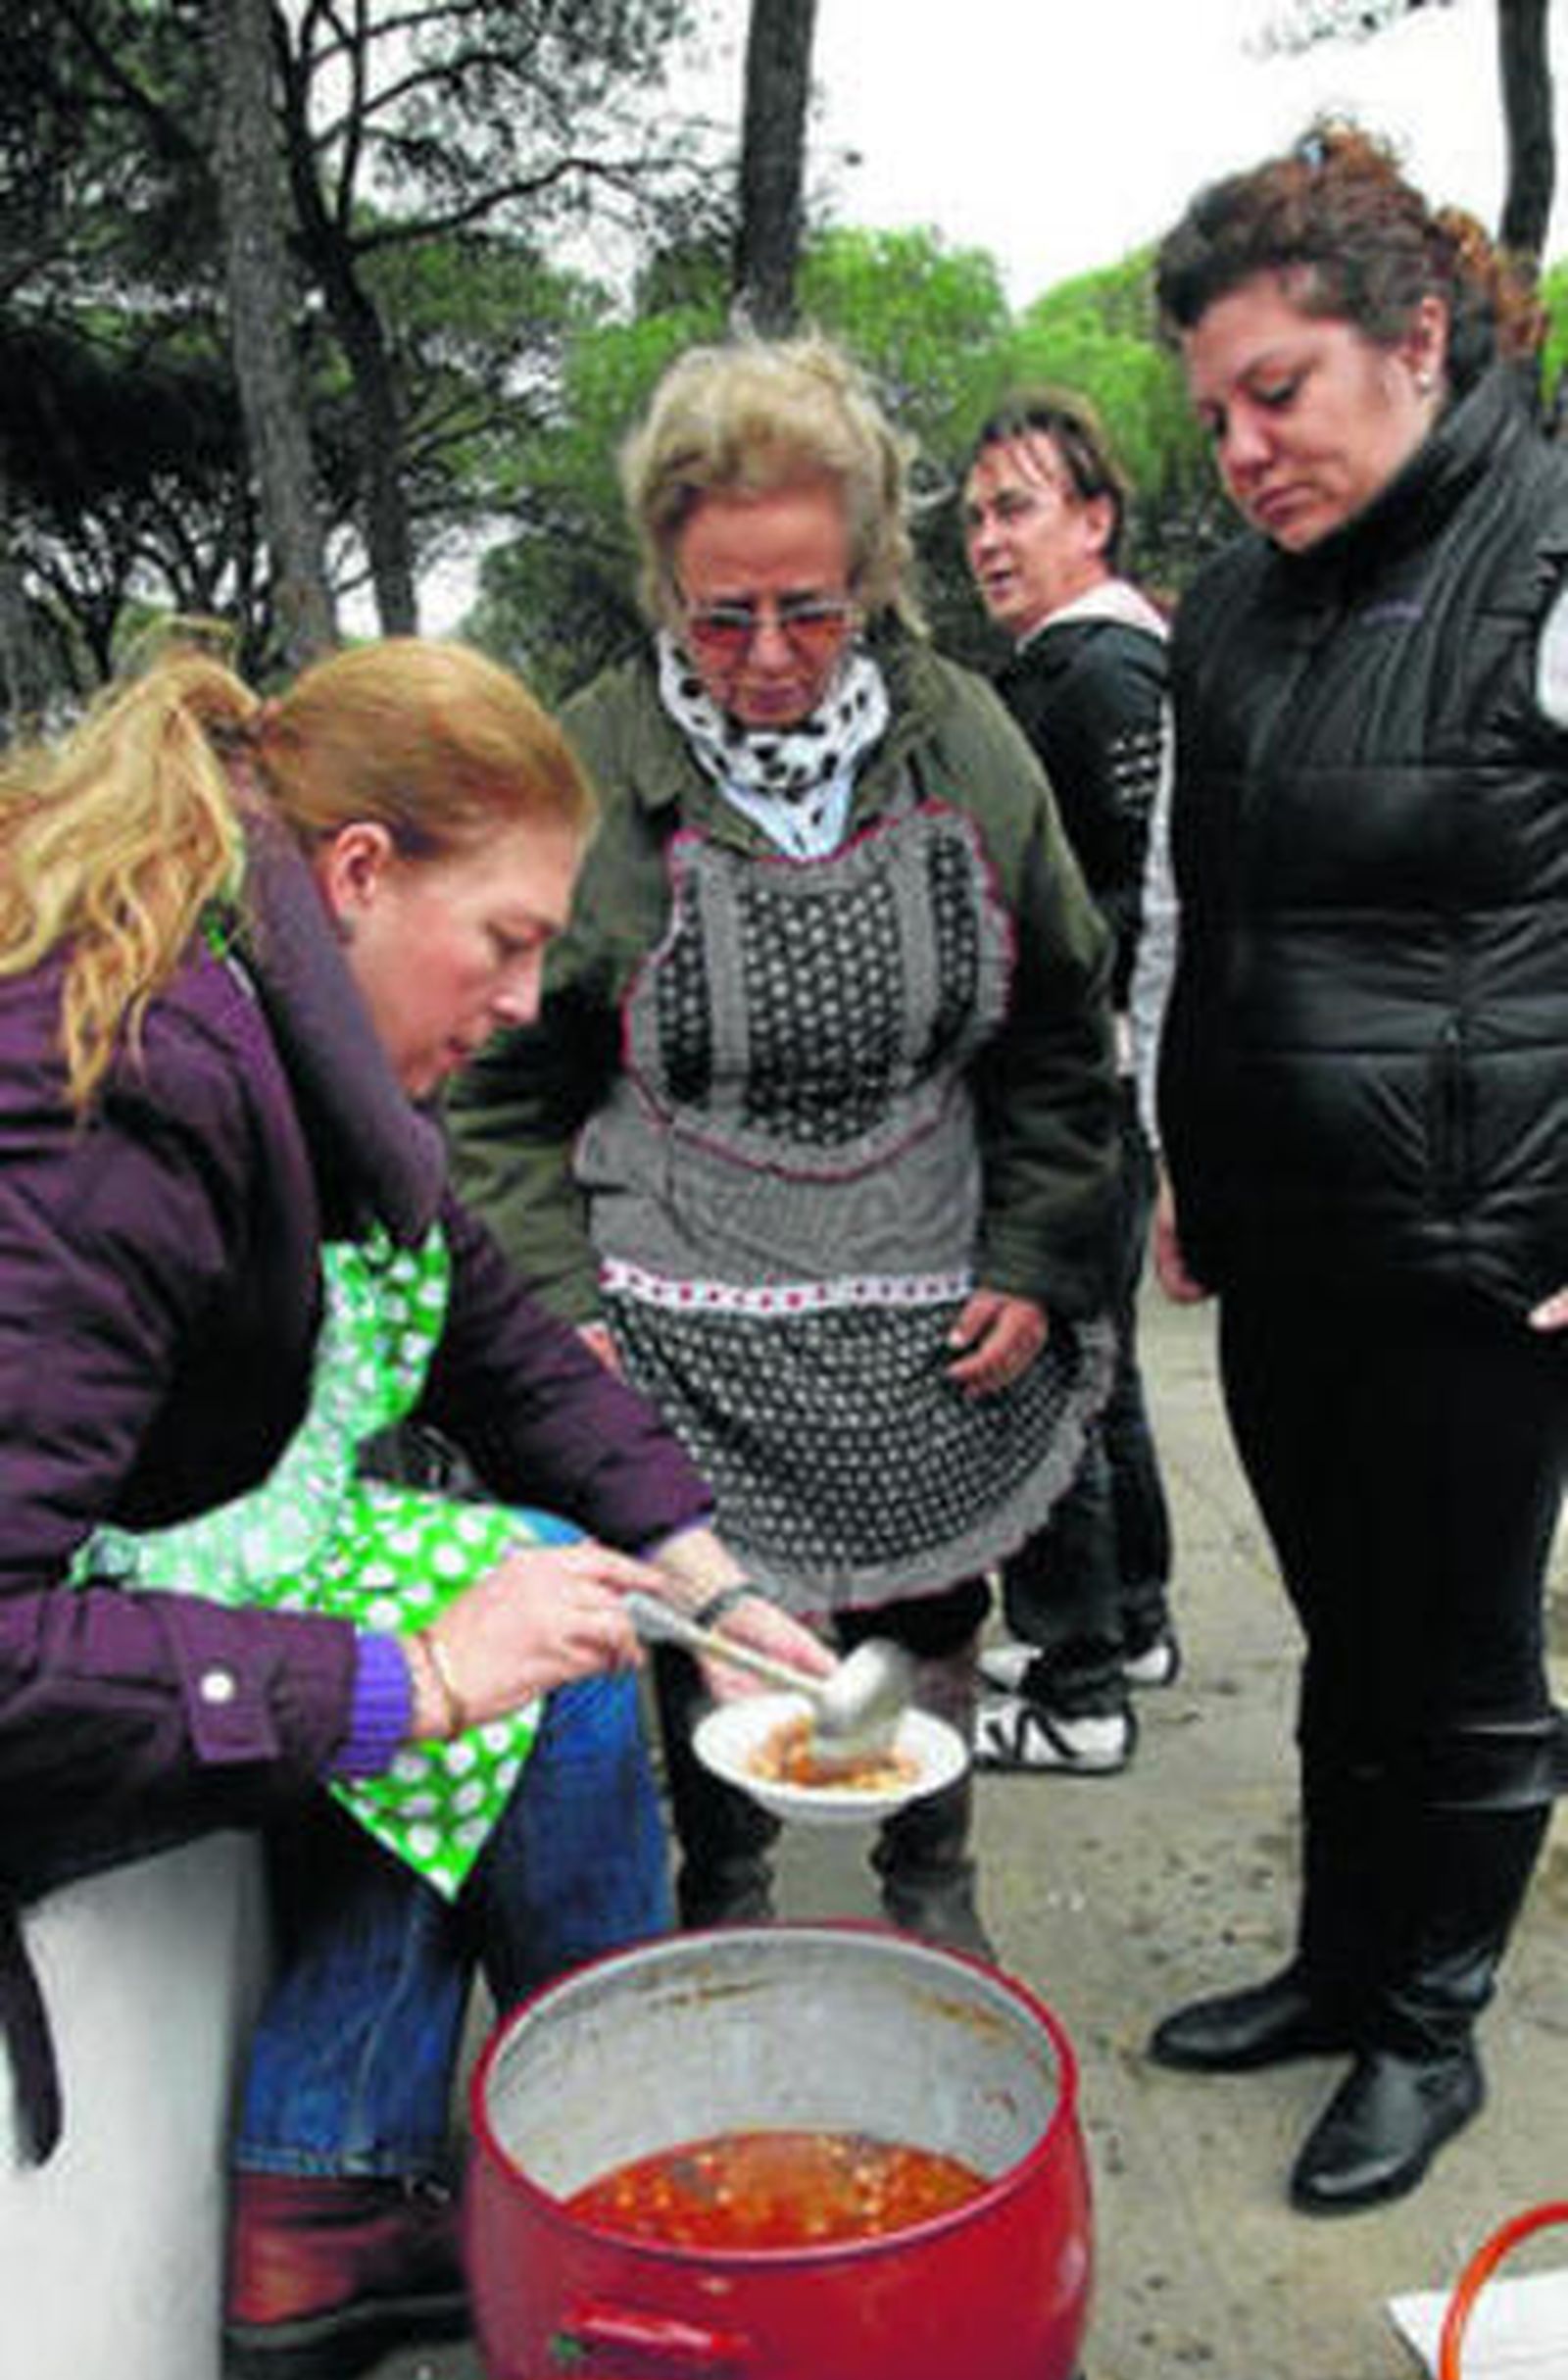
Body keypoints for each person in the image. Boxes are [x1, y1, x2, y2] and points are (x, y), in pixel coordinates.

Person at [0, 632, 831, 2380]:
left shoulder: (290, 1028)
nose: (531, 1000)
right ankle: (623, 2170)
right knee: (516, 1624)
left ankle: (338, 2177)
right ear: (360, 873)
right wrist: (414, 1684)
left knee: (577, 1595)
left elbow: (504, 1348)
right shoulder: (127, 1083)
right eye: (508, 941)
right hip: (59, 1681)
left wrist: (715, 1580)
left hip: (171, 1564)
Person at [448, 330, 1120, 1956]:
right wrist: (558, 1302)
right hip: (675, 1294)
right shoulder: (596, 762)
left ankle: (930, 1877)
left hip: (927, 1281)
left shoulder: (966, 744)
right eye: (721, 610)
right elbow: (499, 1082)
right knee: (707, 1607)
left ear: (875, 572)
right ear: (666, 582)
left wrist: (1037, 1251)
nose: (766, 652)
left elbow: (1057, 1035)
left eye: (810, 607)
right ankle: (727, 1882)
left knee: (925, 1601)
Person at [1144, 123, 1568, 2212]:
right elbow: (1206, 914)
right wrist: (1183, 1156)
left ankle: (1430, 2030)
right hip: (1283, 1236)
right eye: (1211, 411)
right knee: (1338, 1631)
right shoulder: (1231, 606)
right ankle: (1332, 1965)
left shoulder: (1552, 559)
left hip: (1489, 1253)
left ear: (1413, 339)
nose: (1235, 448)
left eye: (1273, 395)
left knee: (1462, 1652)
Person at [961, 388, 1180, 1775]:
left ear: (1094, 518)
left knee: (1053, 1380)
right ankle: (1132, 1618)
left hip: (1080, 1087)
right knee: (1107, 1371)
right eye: (975, 515)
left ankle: (1076, 1685)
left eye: (1018, 508)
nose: (987, 540)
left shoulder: (1092, 677)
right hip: (1106, 1085)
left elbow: (1119, 904)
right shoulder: (1086, 666)